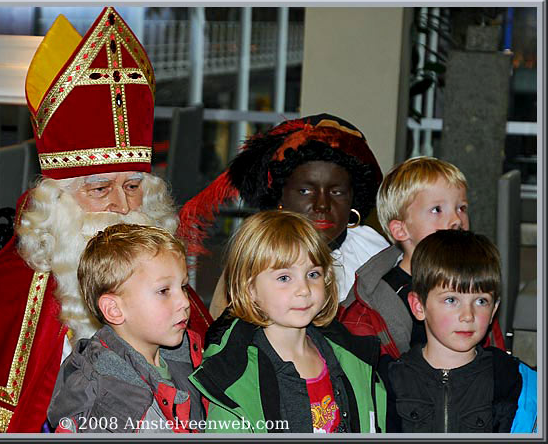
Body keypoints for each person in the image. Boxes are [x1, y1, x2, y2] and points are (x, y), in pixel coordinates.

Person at [0, 7, 212, 433]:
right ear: (56, 200)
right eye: (99, 189)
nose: (121, 205)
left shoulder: (172, 287)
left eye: (133, 186)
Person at [189, 210, 387, 433]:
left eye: (313, 274)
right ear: (250, 288)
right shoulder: (233, 378)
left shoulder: (352, 361)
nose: (303, 289)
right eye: (284, 278)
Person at [179, 113, 389, 319]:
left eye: (337, 192)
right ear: (279, 197)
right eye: (305, 191)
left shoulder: (376, 254)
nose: (322, 205)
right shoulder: (256, 260)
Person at [338, 157, 504, 359]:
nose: (456, 221)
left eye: (461, 208)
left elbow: (495, 355)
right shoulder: (372, 305)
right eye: (437, 210)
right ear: (401, 229)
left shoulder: (471, 281)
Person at [48, 224, 205, 433]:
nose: (184, 302)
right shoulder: (105, 392)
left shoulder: (186, 357)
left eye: (183, 287)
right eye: (164, 290)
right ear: (114, 309)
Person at [385, 229, 537, 433]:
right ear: (419, 306)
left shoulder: (511, 381)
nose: (468, 315)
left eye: (481, 301)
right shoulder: (390, 381)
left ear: (494, 310)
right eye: (451, 300)